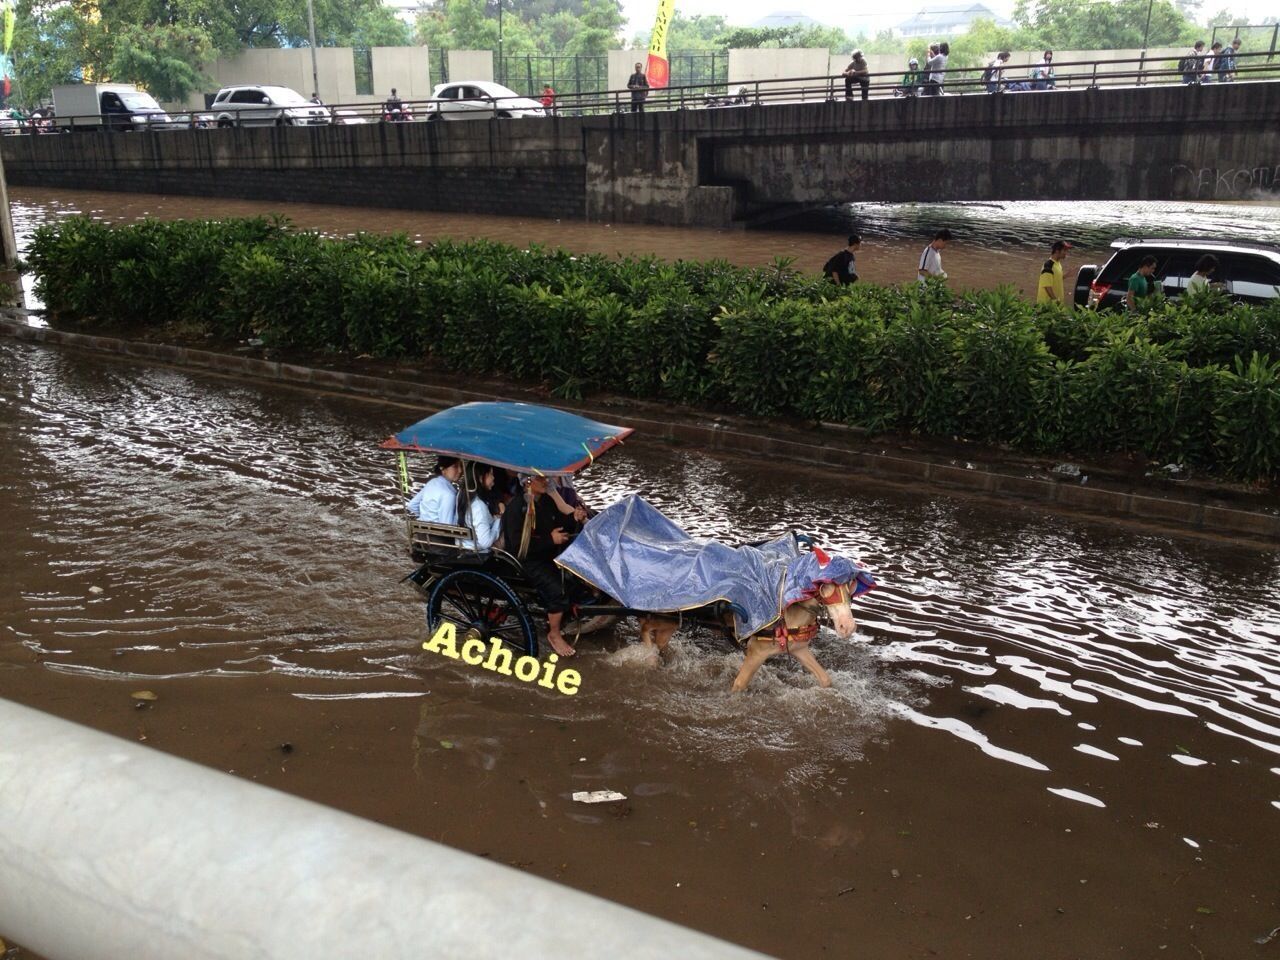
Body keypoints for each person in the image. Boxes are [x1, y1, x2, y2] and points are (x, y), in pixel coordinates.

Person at [502, 473, 582, 657]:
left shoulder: (545, 501)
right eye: (542, 479)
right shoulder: (516, 508)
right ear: (528, 482)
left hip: (545, 556)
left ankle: (562, 618)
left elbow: (560, 524)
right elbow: (519, 547)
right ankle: (553, 633)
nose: (547, 482)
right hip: (526, 561)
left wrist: (574, 518)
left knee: (574, 581)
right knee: (558, 591)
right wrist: (550, 540)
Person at [456, 461, 505, 551]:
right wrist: (499, 520)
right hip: (477, 552)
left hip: (461, 546)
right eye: (490, 474)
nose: (493, 478)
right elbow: (485, 542)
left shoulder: (461, 494)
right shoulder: (479, 506)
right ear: (481, 478)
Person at [406, 456, 463, 524]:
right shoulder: (449, 494)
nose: (460, 470)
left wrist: (426, 517)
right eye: (455, 466)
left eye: (461, 466)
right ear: (443, 469)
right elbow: (447, 525)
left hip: (423, 530)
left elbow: (412, 505)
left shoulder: (432, 483)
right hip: (438, 533)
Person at [1036, 240, 1072, 306]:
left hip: (1055, 305)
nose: (1066, 253)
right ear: (1057, 251)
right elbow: (1047, 286)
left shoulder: (1057, 263)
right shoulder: (1048, 266)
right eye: (1064, 250)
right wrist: (1055, 301)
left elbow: (1055, 279)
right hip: (1047, 306)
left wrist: (1066, 275)